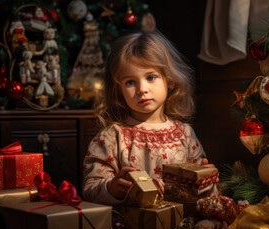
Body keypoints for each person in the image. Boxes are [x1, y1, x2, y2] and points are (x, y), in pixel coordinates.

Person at [82, 30, 217, 206]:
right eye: (130, 82)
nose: (142, 89)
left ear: (169, 80)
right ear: (119, 89)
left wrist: (205, 181)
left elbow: (203, 195)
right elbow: (90, 188)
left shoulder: (185, 134)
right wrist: (111, 188)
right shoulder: (111, 137)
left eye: (151, 77)